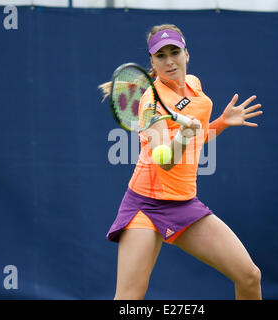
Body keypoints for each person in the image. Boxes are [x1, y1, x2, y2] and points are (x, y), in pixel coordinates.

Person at [99, 24, 263, 300]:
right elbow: (164, 159)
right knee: (129, 299)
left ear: (187, 54)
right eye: (160, 55)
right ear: (151, 61)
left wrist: (221, 123)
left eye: (174, 52)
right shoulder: (150, 100)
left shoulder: (195, 87)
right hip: (144, 204)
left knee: (249, 276)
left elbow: (199, 138)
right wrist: (184, 137)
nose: (169, 60)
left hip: (184, 203)